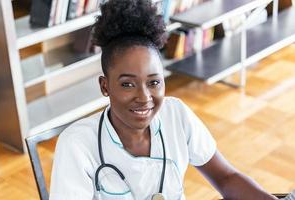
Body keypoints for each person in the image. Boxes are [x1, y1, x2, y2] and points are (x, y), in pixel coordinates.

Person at [49, 0, 278, 199]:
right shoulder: (77, 145)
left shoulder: (176, 115)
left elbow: (226, 178)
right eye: (128, 84)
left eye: (154, 82)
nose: (144, 97)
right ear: (105, 86)